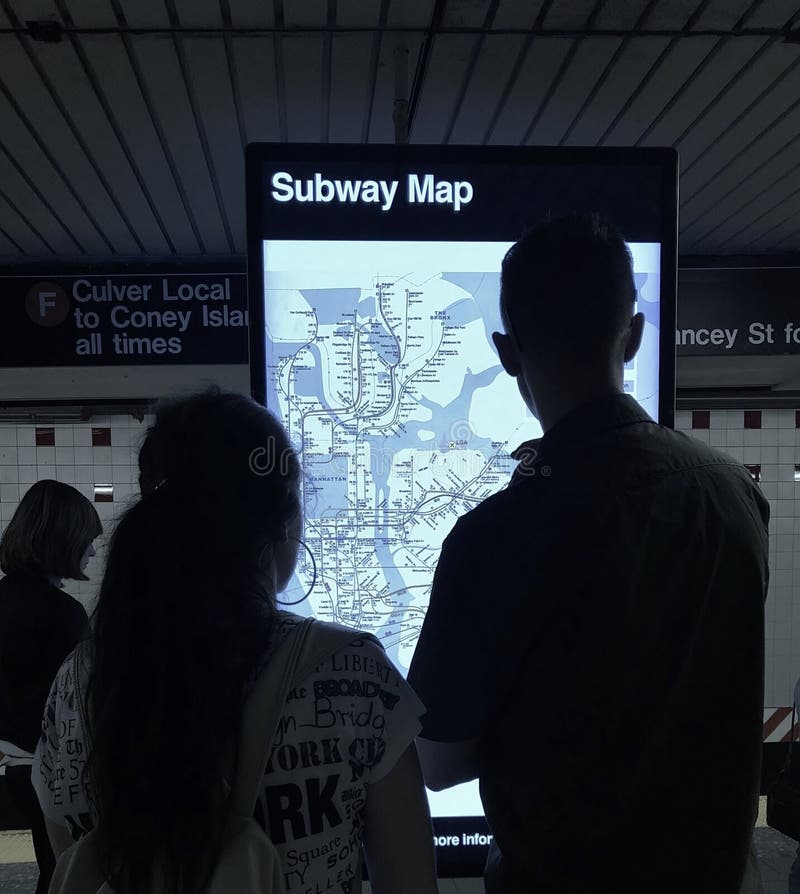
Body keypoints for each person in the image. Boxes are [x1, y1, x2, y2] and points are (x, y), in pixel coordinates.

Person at [408, 214, 770, 893]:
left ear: (508, 351)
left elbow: (436, 762)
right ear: (631, 335)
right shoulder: (735, 500)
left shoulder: (497, 534)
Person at [33, 390, 438, 894]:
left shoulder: (75, 683)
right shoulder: (355, 676)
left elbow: (70, 858)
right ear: (285, 520)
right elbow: (411, 885)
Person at [0, 480, 101, 894]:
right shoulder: (63, 615)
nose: (92, 552)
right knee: (69, 873)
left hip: (13, 768)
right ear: (63, 540)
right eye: (86, 541)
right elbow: (82, 703)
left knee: (51, 869)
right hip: (55, 771)